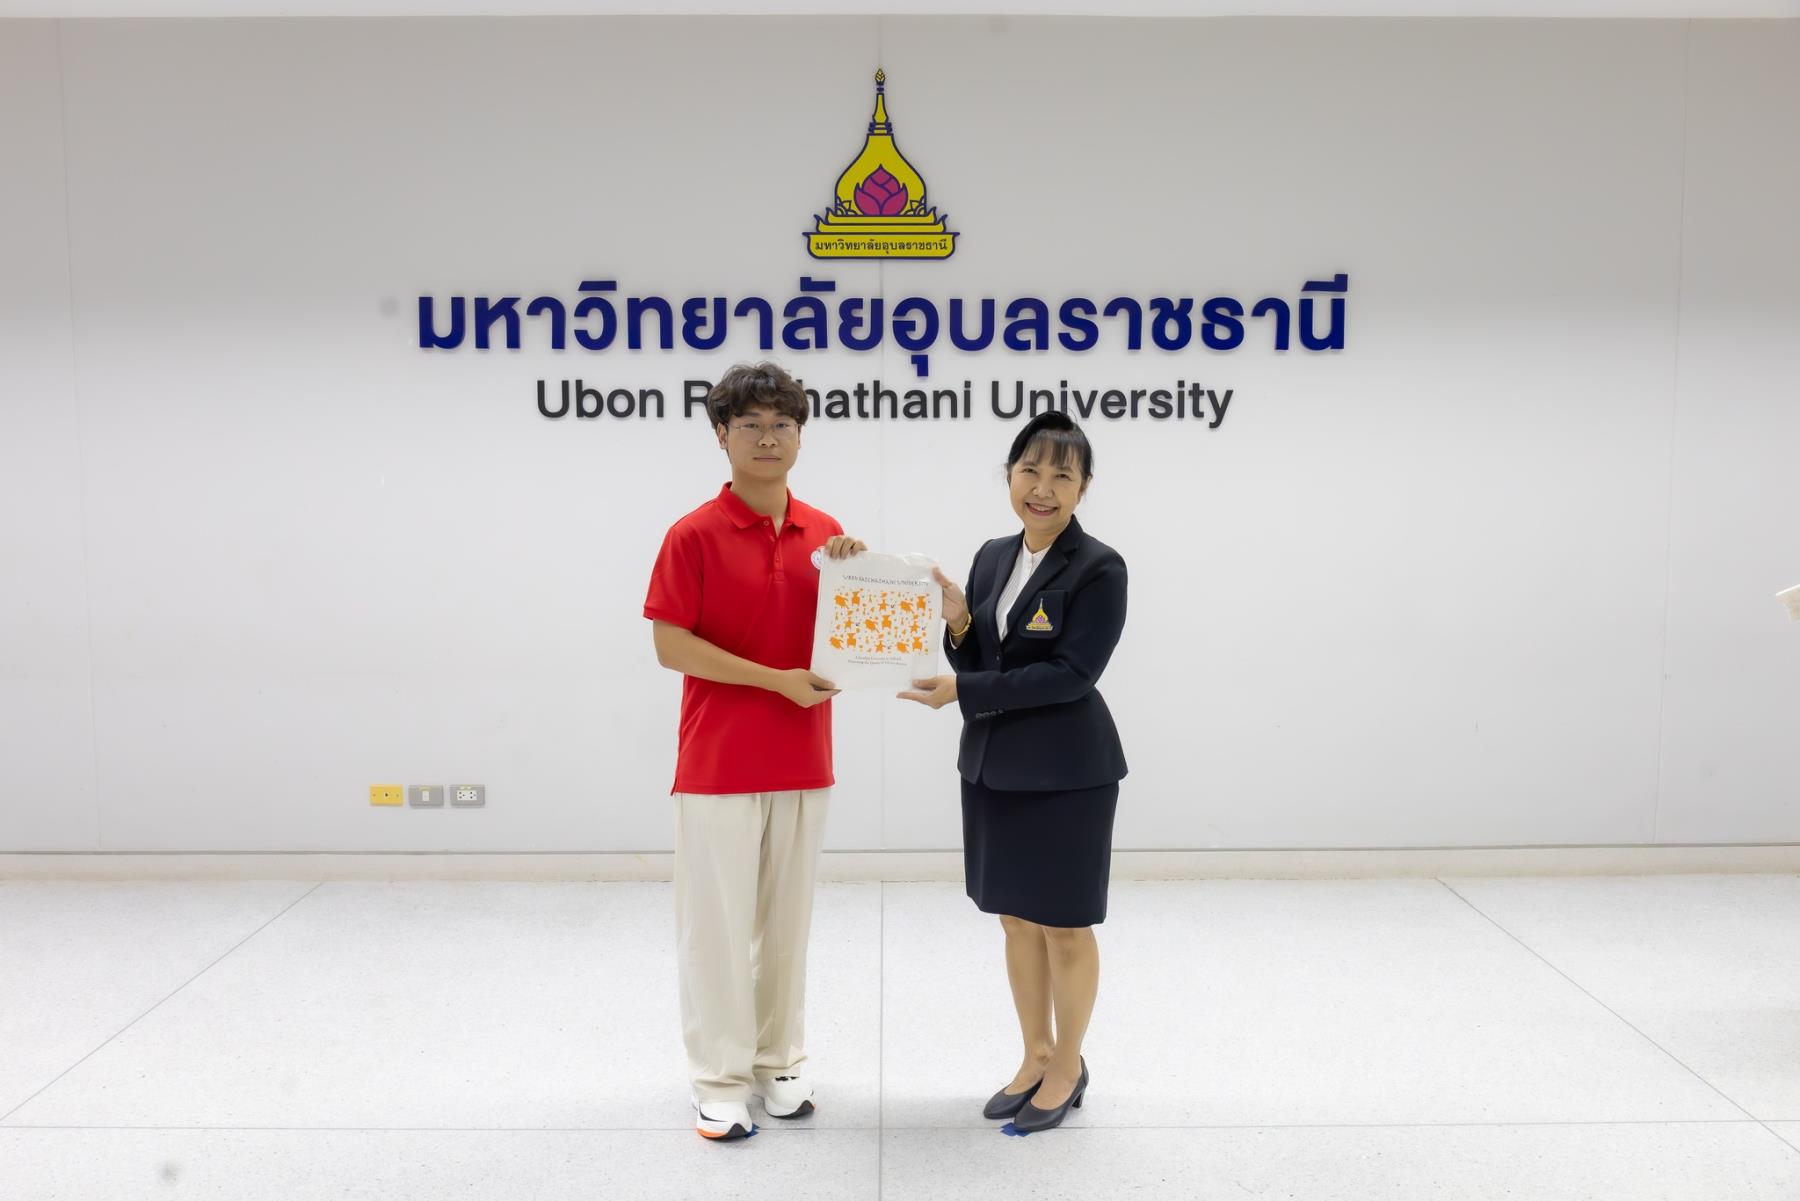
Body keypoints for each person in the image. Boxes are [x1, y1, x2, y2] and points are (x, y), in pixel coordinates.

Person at [644, 361, 866, 1142]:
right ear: (722, 435)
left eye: (782, 425)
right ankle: (719, 1077)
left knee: (786, 925)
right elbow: (672, 645)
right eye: (751, 425)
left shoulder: (827, 533)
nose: (768, 438)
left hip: (804, 757)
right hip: (719, 763)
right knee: (717, 927)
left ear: (801, 436)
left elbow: (851, 640)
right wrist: (775, 682)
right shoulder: (692, 534)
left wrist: (863, 579)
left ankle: (779, 1063)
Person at [899, 410, 1128, 1134]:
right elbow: (983, 660)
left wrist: (963, 690)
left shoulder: (1100, 568)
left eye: (1063, 474)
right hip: (994, 766)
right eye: (1030, 470)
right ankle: (1035, 1054)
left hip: (1067, 773)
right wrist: (959, 621)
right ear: (1009, 477)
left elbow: (1071, 674)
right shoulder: (994, 556)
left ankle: (1069, 1065)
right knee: (1015, 919)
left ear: (1084, 487)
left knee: (1064, 926)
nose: (1043, 488)